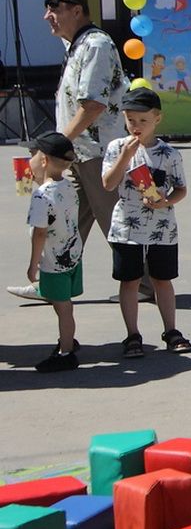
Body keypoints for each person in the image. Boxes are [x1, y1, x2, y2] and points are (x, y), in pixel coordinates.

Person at [8, 0, 129, 302]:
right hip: (75, 155)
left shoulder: (96, 44)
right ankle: (52, 283)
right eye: (47, 7)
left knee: (117, 223)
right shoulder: (76, 45)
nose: (48, 15)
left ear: (77, 10)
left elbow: (93, 105)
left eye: (54, 7)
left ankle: (143, 284)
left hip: (98, 154)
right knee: (63, 223)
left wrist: (52, 147)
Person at [100, 89, 191, 358]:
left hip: (162, 228)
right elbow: (107, 184)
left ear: (157, 119)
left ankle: (171, 331)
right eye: (130, 120)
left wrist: (165, 201)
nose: (136, 126)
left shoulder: (169, 153)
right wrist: (125, 158)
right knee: (129, 280)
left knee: (163, 280)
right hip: (126, 227)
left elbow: (181, 189)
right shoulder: (117, 148)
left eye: (143, 120)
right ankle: (132, 335)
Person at [24, 133, 82, 373]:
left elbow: (40, 233)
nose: (29, 160)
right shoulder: (68, 186)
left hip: (53, 261)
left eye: (33, 155)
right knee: (65, 305)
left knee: (63, 308)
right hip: (72, 255)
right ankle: (68, 340)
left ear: (44, 160)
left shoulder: (42, 196)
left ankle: (66, 351)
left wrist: (33, 264)